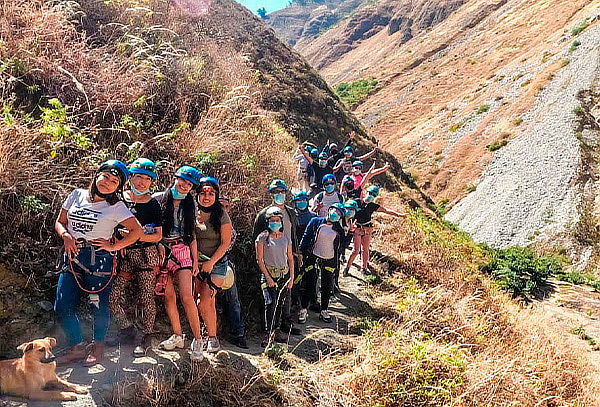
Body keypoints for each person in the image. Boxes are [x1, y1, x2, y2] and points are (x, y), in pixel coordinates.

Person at [54, 160, 143, 366]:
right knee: (63, 304)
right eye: (106, 177)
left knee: (98, 304)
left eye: (114, 181)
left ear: (118, 188)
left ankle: (98, 347)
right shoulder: (76, 195)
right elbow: (60, 221)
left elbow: (136, 231)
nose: (108, 183)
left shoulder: (116, 207)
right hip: (73, 255)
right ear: (97, 175)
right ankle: (77, 346)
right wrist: (66, 235)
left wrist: (114, 247)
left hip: (99, 260)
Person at [109, 158, 163, 357]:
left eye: (147, 179)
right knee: (114, 296)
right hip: (124, 254)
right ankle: (127, 330)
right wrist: (118, 240)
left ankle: (145, 336)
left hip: (146, 254)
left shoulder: (153, 205)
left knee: (146, 297)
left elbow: (157, 235)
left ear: (152, 182)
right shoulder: (119, 199)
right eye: (138, 177)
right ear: (130, 177)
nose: (142, 182)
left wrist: (134, 235)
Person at [155, 165, 204, 362]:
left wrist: (195, 260)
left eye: (189, 184)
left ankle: (198, 340)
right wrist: (157, 244)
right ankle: (177, 335)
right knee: (168, 296)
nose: (184, 185)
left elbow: (191, 235)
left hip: (182, 250)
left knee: (187, 296)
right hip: (161, 250)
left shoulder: (190, 204)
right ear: (175, 178)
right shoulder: (159, 199)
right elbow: (150, 227)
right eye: (182, 180)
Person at [194, 176, 232, 354]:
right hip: (196, 263)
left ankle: (212, 338)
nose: (207, 197)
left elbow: (225, 243)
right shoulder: (192, 212)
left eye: (211, 193)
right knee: (199, 300)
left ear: (216, 195)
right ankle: (200, 334)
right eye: (203, 193)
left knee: (205, 299)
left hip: (216, 263)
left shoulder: (221, 215)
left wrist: (211, 262)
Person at [343, 186, 408, 275]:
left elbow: (386, 211)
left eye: (373, 195)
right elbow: (349, 211)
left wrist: (399, 215)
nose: (371, 196)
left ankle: (364, 268)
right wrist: (350, 225)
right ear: (366, 192)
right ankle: (347, 268)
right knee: (356, 250)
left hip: (367, 229)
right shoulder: (357, 202)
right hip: (358, 228)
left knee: (365, 250)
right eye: (370, 193)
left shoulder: (372, 206)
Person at [298, 203, 346, 324]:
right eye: (335, 211)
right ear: (330, 210)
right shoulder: (316, 222)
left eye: (339, 214)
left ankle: (324, 310)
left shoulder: (338, 229)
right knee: (310, 283)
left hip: (329, 259)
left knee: (327, 286)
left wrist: (350, 233)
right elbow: (306, 236)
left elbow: (342, 245)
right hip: (314, 257)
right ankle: (303, 309)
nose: (336, 214)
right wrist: (300, 252)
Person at [255, 207, 295, 346]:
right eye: (272, 221)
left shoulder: (286, 238)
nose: (275, 223)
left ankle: (276, 331)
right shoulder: (262, 238)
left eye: (278, 220)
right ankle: (268, 333)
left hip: (283, 275)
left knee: (279, 304)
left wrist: (291, 277)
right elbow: (259, 260)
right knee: (270, 303)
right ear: (268, 222)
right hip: (269, 275)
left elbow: (290, 258)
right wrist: (268, 278)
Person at [216, 195, 248, 349]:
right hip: (204, 264)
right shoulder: (201, 222)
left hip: (223, 264)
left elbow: (225, 248)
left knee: (233, 299)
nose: (223, 209)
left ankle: (238, 334)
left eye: (226, 206)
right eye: (220, 205)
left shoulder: (231, 230)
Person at [290, 191, 316, 308]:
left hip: (310, 251)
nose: (301, 203)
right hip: (294, 252)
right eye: (299, 201)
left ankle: (313, 300)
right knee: (295, 277)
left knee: (311, 276)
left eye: (304, 200)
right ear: (295, 203)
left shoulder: (313, 217)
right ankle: (295, 300)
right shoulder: (291, 216)